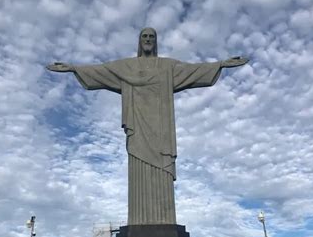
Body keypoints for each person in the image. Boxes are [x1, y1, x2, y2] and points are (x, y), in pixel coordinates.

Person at [47, 28, 248, 226]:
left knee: (161, 171)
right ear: (139, 41)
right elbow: (102, 70)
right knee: (138, 172)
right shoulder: (127, 67)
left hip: (161, 130)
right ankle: (139, 220)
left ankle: (164, 219)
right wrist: (74, 68)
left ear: (156, 41)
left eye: (152, 37)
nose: (148, 39)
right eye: (145, 36)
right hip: (138, 128)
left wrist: (221, 64)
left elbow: (193, 70)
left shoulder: (167, 67)